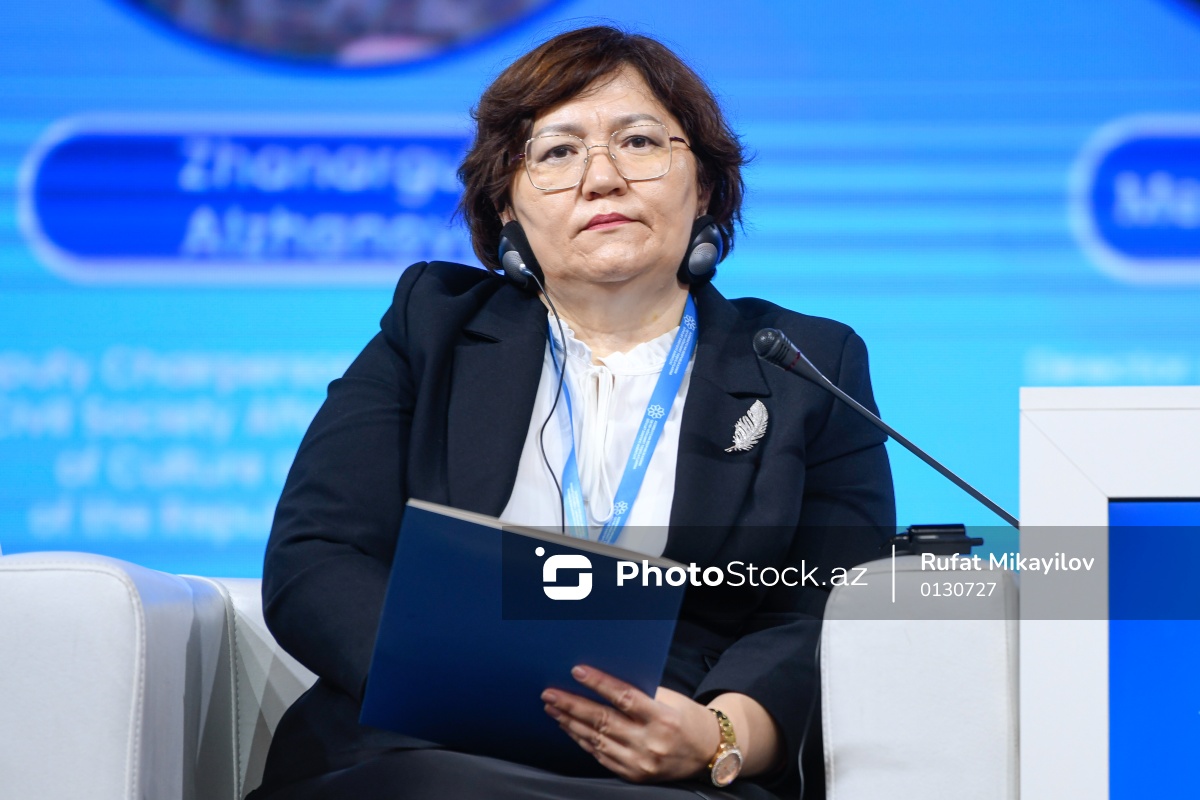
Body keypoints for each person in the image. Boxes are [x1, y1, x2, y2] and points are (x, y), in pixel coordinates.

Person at [250, 25, 895, 800]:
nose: (602, 178)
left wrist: (720, 734)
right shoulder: (433, 325)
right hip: (422, 739)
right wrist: (461, 684)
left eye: (639, 142)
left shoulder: (803, 365)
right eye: (557, 152)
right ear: (507, 206)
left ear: (704, 186)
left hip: (671, 764)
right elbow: (317, 556)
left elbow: (829, 602)